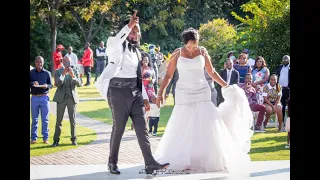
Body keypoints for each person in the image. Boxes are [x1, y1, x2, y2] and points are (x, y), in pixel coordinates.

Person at [155, 28, 253, 173]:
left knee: (205, 124)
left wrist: (225, 85)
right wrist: (161, 92)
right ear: (184, 43)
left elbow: (211, 72)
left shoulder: (202, 52)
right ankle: (184, 158)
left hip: (202, 90)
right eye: (189, 46)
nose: (192, 49)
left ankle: (206, 158)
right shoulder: (177, 53)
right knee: (183, 123)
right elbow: (169, 75)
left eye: (194, 45)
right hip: (183, 92)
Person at [95, 10, 169, 175]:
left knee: (142, 128)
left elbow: (138, 78)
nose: (136, 34)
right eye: (133, 31)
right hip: (117, 92)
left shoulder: (137, 53)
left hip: (134, 93)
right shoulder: (114, 45)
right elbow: (116, 40)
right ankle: (112, 163)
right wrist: (130, 25)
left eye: (138, 32)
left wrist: (143, 97)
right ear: (126, 31)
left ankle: (150, 163)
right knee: (119, 128)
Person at [51, 56, 82, 147]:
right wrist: (63, 74)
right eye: (64, 61)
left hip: (71, 99)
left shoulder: (75, 71)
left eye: (67, 61)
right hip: (61, 99)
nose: (66, 63)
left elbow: (79, 84)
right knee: (59, 120)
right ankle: (56, 140)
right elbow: (58, 84)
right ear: (62, 62)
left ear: (70, 61)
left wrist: (73, 76)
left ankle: (74, 139)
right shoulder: (58, 71)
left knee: (73, 120)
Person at [30, 56, 53, 144]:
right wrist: (32, 83)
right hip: (34, 97)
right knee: (34, 119)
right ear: (35, 63)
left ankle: (45, 138)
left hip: (44, 98)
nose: (39, 64)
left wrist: (47, 86)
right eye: (37, 62)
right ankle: (33, 138)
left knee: (45, 119)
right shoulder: (31, 73)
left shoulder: (47, 73)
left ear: (43, 63)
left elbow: (51, 85)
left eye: (41, 62)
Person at [276, 55, 290, 127]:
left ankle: (288, 123)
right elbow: (277, 76)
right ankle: (282, 123)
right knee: (282, 106)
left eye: (286, 59)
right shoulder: (280, 67)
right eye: (283, 59)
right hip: (280, 89)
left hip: (288, 89)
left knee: (289, 105)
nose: (285, 60)